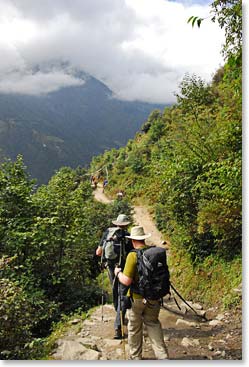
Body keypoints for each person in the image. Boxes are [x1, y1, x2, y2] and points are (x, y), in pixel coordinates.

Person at [114, 226, 169, 360]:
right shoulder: (154, 253)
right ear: (144, 239)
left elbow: (126, 281)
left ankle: (136, 357)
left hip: (136, 299)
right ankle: (163, 357)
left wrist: (118, 273)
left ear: (132, 240)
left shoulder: (132, 255)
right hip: (153, 297)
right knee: (153, 324)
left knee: (134, 328)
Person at [96, 214, 133, 339]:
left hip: (110, 266)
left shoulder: (108, 232)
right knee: (123, 294)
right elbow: (131, 253)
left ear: (116, 223)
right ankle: (118, 326)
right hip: (123, 267)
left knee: (115, 290)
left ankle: (119, 314)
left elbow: (98, 252)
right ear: (126, 224)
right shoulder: (126, 235)